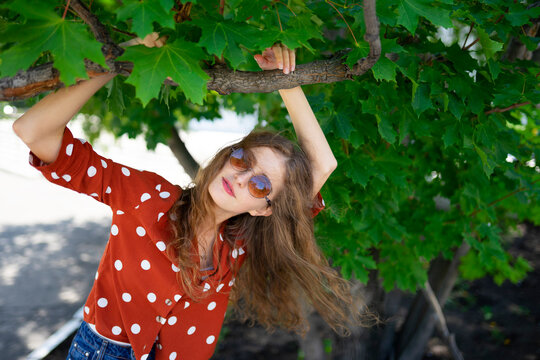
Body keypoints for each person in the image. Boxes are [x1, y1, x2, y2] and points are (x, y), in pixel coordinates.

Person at [12, 37, 361, 360]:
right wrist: (121, 56)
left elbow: (323, 164)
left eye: (258, 185)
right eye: (241, 159)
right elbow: (33, 131)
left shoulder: (237, 246)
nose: (238, 176)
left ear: (264, 209)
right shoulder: (147, 197)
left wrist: (287, 81)